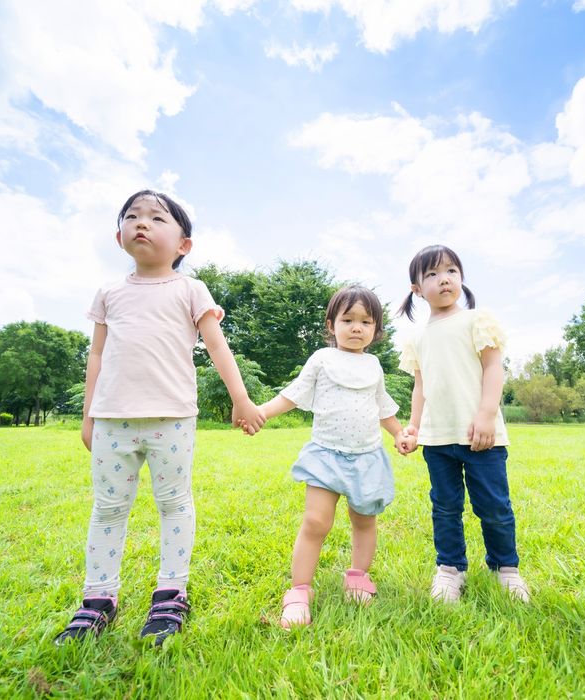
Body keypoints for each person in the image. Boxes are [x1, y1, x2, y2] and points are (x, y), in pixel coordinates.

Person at [54, 189, 265, 646]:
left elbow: (217, 346)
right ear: (119, 237)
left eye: (156, 218)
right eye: (132, 217)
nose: (142, 223)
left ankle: (171, 592)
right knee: (109, 508)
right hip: (112, 420)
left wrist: (241, 398)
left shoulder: (191, 289)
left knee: (174, 502)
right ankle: (97, 599)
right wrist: (88, 415)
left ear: (184, 244)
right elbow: (96, 356)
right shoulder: (109, 293)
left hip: (171, 419)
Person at [242, 286, 408, 629]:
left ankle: (358, 577)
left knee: (365, 521)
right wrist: (261, 412)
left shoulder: (374, 365)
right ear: (331, 325)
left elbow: (382, 407)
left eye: (366, 321)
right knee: (316, 522)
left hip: (367, 457)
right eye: (348, 320)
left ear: (376, 330)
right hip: (326, 456)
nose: (357, 327)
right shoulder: (322, 358)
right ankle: (299, 591)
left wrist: (399, 433)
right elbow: (292, 395)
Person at [396, 245, 529, 604]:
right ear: (417, 289)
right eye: (433, 274)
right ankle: (450, 569)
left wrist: (486, 415)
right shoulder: (418, 337)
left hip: (481, 437)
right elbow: (421, 388)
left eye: (451, 271)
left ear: (461, 277)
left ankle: (506, 569)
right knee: (445, 506)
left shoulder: (477, 320)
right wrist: (413, 428)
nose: (444, 279)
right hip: (438, 440)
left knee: (494, 506)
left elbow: (492, 368)